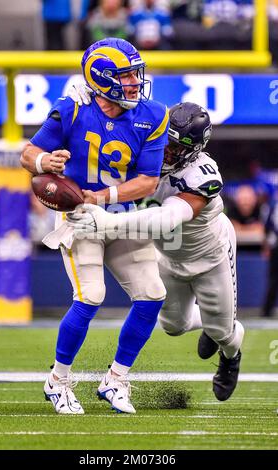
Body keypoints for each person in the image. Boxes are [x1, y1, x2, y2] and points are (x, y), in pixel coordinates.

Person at [20, 37, 169, 414]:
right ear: (102, 79)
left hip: (119, 213)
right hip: (79, 217)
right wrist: (46, 164)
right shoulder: (71, 108)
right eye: (126, 76)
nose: (136, 82)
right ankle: (58, 381)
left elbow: (148, 181)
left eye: (136, 74)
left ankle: (116, 379)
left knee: (152, 293)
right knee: (91, 295)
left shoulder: (153, 115)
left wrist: (99, 198)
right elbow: (28, 154)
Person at [70, 101, 245, 402]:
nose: (166, 152)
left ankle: (231, 355)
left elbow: (165, 219)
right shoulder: (140, 149)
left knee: (223, 332)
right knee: (174, 327)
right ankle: (212, 324)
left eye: (176, 148)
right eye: (166, 142)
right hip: (168, 256)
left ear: (194, 150)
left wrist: (108, 221)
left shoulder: (202, 175)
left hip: (210, 256)